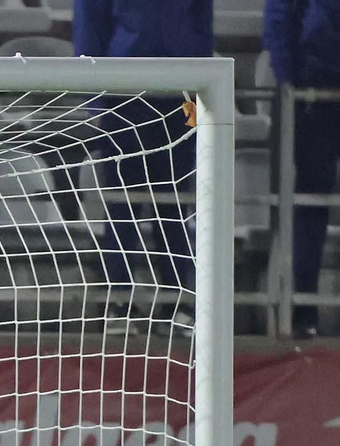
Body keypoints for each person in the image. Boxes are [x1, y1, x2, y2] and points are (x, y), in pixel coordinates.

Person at [74, 0, 212, 328]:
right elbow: (89, 27)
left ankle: (178, 303)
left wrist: (198, 91)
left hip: (179, 97)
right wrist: (96, 102)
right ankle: (120, 302)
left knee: (175, 203)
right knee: (122, 203)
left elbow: (202, 27)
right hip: (123, 96)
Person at [265, 0, 340, 338]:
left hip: (315, 85)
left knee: (312, 203)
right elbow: (279, 15)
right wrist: (288, 82)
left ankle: (305, 310)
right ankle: (303, 311)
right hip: (314, 90)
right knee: (311, 202)